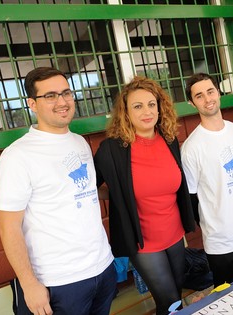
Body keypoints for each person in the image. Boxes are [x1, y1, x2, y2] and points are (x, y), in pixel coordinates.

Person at [0, 67, 116, 315]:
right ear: (32, 104)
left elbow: (84, 190)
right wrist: (29, 284)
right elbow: (9, 227)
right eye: (50, 96)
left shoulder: (78, 141)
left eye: (66, 93)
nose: (61, 102)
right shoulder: (17, 156)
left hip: (102, 268)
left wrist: (125, 193)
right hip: (57, 281)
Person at [93, 76, 196, 315]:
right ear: (125, 113)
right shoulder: (112, 149)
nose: (146, 111)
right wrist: (118, 195)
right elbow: (90, 187)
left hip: (174, 233)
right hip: (143, 241)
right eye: (137, 106)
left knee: (176, 293)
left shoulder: (169, 140)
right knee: (170, 301)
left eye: (152, 104)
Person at [181, 73, 233, 286]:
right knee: (224, 296)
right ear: (192, 103)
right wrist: (213, 225)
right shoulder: (191, 147)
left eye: (210, 91)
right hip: (220, 241)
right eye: (199, 96)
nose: (207, 99)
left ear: (218, 93)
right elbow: (192, 197)